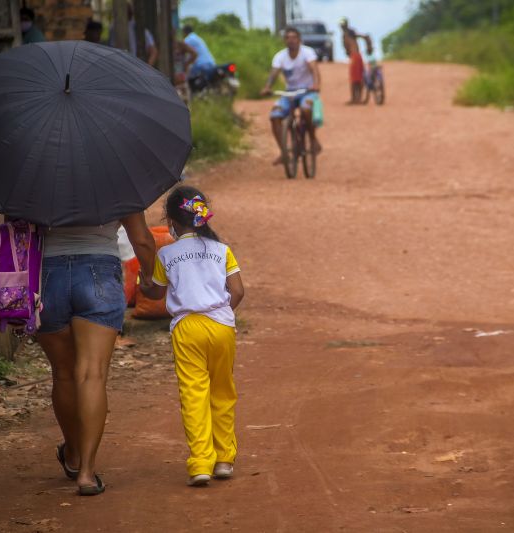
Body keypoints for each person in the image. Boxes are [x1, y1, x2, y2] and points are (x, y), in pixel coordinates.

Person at [38, 214, 158, 496]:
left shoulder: (32, 185)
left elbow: (16, 226)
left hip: (46, 277)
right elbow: (142, 239)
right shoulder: (115, 184)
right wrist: (150, 277)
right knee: (91, 374)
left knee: (63, 374)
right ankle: (87, 473)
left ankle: (73, 454)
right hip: (99, 273)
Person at [139, 186, 245, 487]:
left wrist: (145, 284)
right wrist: (222, 314)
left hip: (187, 329)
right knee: (222, 391)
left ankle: (200, 463)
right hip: (221, 326)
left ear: (171, 221)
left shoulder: (166, 254)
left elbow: (157, 293)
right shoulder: (221, 250)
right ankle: (224, 460)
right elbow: (237, 291)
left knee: (193, 393)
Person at [260, 26, 322, 165]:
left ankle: (312, 139)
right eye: (288, 38)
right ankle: (284, 152)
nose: (291, 40)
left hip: (307, 91)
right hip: (289, 93)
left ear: (299, 40)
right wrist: (267, 87)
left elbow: (314, 69)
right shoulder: (280, 56)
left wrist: (316, 84)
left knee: (306, 109)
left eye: (294, 37)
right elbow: (274, 73)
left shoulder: (307, 53)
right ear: (284, 40)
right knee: (275, 116)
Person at [339, 17, 369, 104]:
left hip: (355, 57)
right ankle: (357, 98)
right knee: (357, 78)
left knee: (355, 79)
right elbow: (365, 37)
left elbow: (365, 37)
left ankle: (355, 99)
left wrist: (368, 45)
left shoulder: (349, 33)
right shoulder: (348, 33)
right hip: (356, 56)